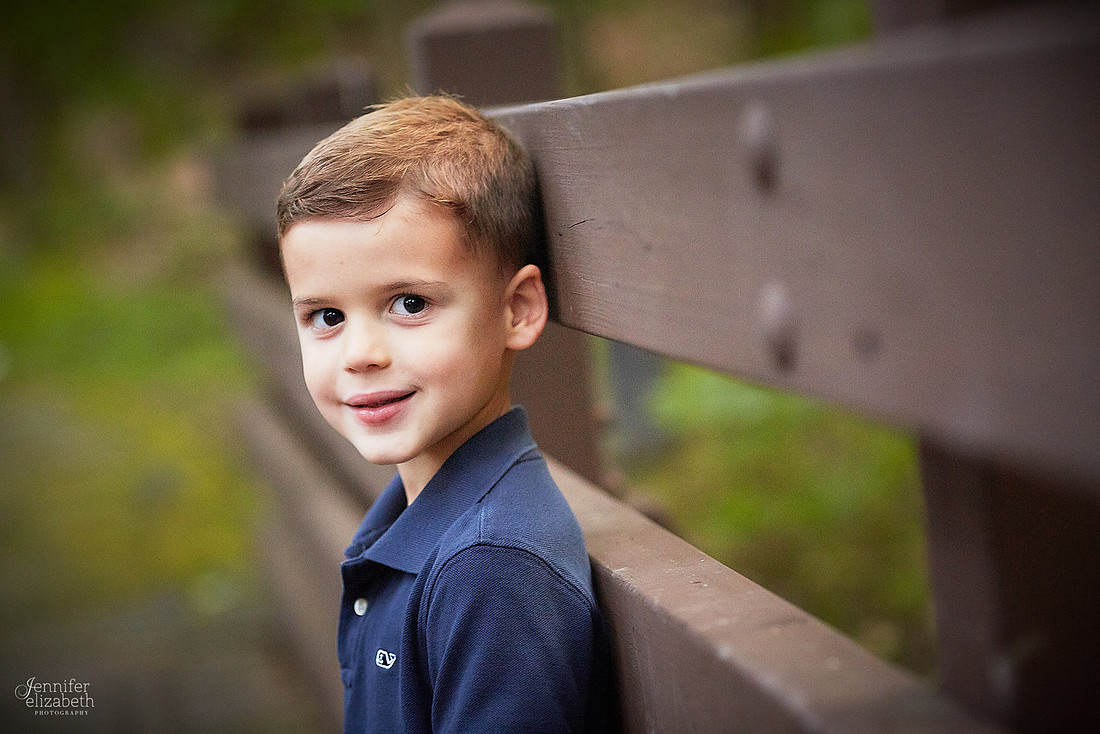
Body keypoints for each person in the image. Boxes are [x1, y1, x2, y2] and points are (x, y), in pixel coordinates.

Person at [276, 95, 613, 733]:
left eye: (408, 304)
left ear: (516, 310)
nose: (361, 355)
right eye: (326, 317)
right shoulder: (426, 525)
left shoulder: (490, 569)